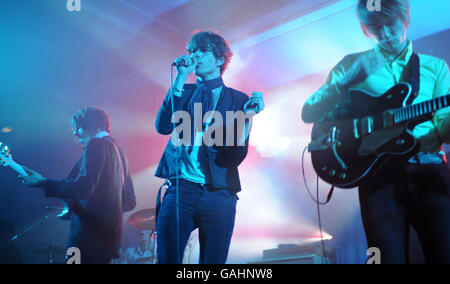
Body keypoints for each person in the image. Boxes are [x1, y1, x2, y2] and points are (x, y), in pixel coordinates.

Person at [302, 0, 450, 264]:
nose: (384, 34)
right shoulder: (351, 65)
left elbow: (444, 128)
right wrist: (344, 81)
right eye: (375, 28)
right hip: (378, 180)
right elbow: (310, 113)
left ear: (405, 19)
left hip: (430, 173)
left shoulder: (435, 68)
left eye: (389, 25)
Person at [155, 30, 265, 264]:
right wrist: (180, 77)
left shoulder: (237, 99)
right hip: (181, 189)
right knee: (167, 258)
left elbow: (234, 155)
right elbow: (163, 126)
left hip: (219, 192)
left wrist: (248, 117)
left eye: (201, 51)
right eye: (192, 50)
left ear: (219, 60)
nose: (194, 55)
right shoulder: (183, 90)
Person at [20, 107, 137, 264]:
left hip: (87, 239)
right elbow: (129, 201)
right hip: (108, 241)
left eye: (77, 128)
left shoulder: (95, 145)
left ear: (90, 126)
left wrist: (43, 183)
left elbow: (84, 187)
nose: (75, 133)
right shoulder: (119, 151)